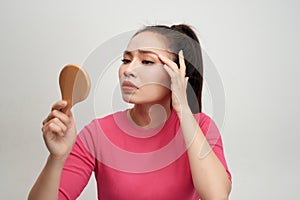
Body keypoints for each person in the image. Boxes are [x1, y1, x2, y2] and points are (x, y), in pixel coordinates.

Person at [28, 24, 232, 200]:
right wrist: (57, 159)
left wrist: (183, 110)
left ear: (178, 72)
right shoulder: (98, 133)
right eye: (126, 60)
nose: (128, 70)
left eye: (147, 61)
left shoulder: (201, 127)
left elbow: (216, 196)